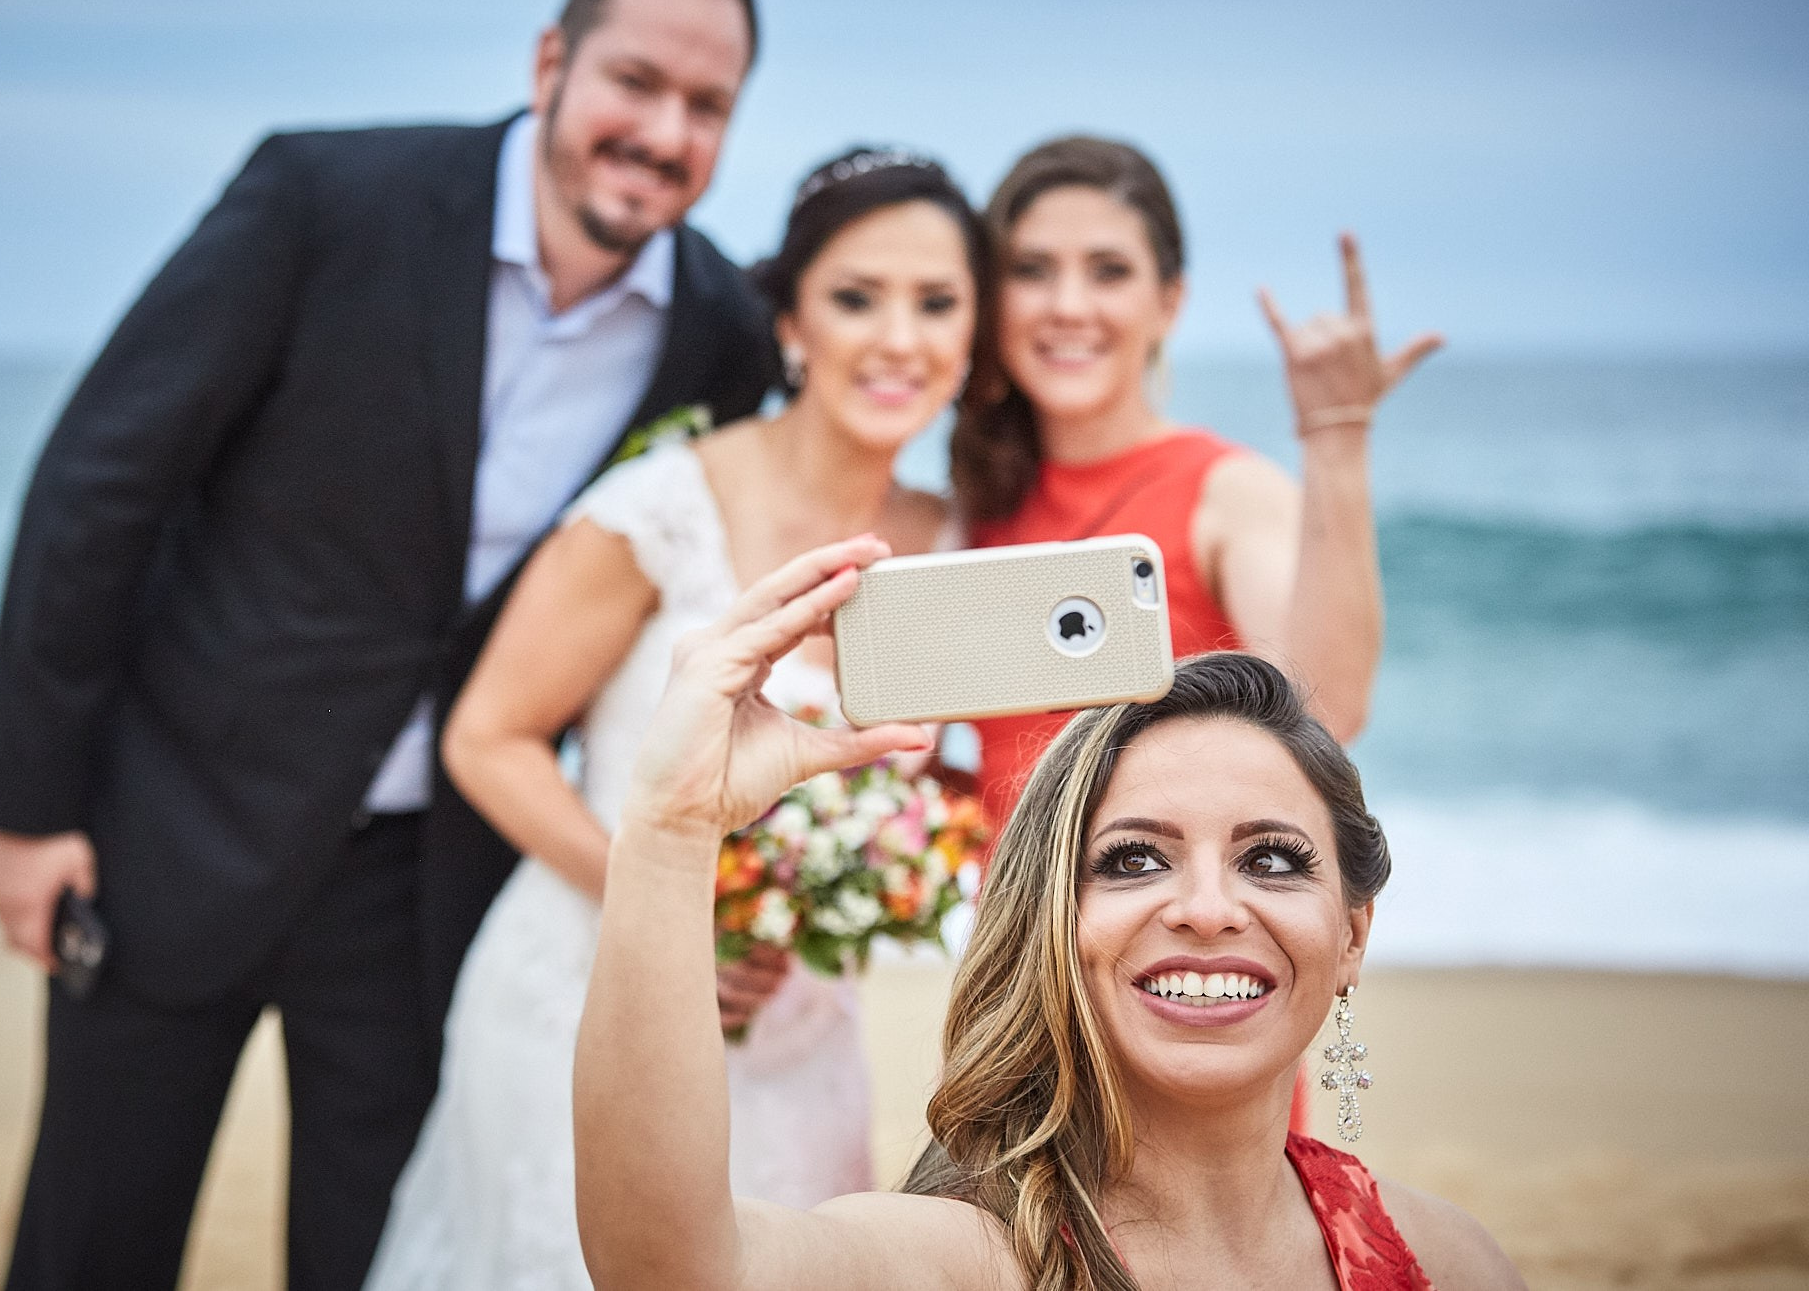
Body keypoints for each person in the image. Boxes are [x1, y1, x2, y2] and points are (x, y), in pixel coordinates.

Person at [0, 0, 779, 1287]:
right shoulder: (323, 199)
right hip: (174, 826)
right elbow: (103, 479)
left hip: (426, 889)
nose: (664, 133)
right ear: (552, 63)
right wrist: (28, 808)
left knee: (370, 1258)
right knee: (91, 1244)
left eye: (708, 106)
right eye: (636, 82)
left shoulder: (718, 330)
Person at [572, 540, 1524, 1290]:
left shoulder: (1453, 1261)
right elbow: (674, 1270)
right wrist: (671, 825)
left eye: (1270, 859)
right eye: (1134, 859)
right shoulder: (960, 1262)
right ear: (1052, 925)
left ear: (1353, 933)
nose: (1206, 909)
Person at [363, 147, 986, 1290]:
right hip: (582, 997)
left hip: (799, 1033)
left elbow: (937, 784)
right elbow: (486, 737)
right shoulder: (661, 507)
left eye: (936, 303)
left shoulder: (956, 547)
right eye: (856, 297)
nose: (899, 338)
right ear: (790, 321)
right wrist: (661, 909)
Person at [950, 137, 1444, 828]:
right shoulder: (970, 508)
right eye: (1032, 270)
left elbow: (1329, 709)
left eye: (1109, 271)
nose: (1068, 305)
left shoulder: (1228, 493)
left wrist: (1335, 433)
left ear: (1169, 302)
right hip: (993, 898)